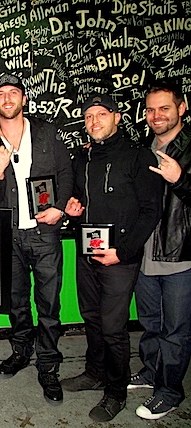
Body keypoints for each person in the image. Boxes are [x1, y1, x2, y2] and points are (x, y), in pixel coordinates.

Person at [61, 93, 163, 422]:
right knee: (90, 316)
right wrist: (73, 214)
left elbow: (151, 211)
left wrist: (123, 252)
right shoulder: (82, 158)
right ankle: (94, 373)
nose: (94, 122)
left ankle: (116, 391)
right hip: (87, 253)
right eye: (88, 116)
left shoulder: (137, 156)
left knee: (113, 328)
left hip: (120, 258)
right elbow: (81, 204)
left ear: (116, 117)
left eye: (101, 114)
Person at [0, 73, 73, 405]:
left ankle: (48, 366)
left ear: (24, 99)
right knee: (15, 301)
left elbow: (66, 173)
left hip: (44, 234)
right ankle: (21, 350)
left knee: (49, 305)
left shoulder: (46, 134)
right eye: (0, 93)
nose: (7, 98)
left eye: (13, 92)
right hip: (10, 236)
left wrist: (59, 207)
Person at [129, 82, 191, 420]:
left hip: (180, 255)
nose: (156, 116)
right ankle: (151, 371)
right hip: (147, 254)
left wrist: (180, 178)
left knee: (176, 330)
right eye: (151, 110)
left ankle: (169, 392)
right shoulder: (145, 150)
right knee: (150, 322)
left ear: (181, 108)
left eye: (164, 108)